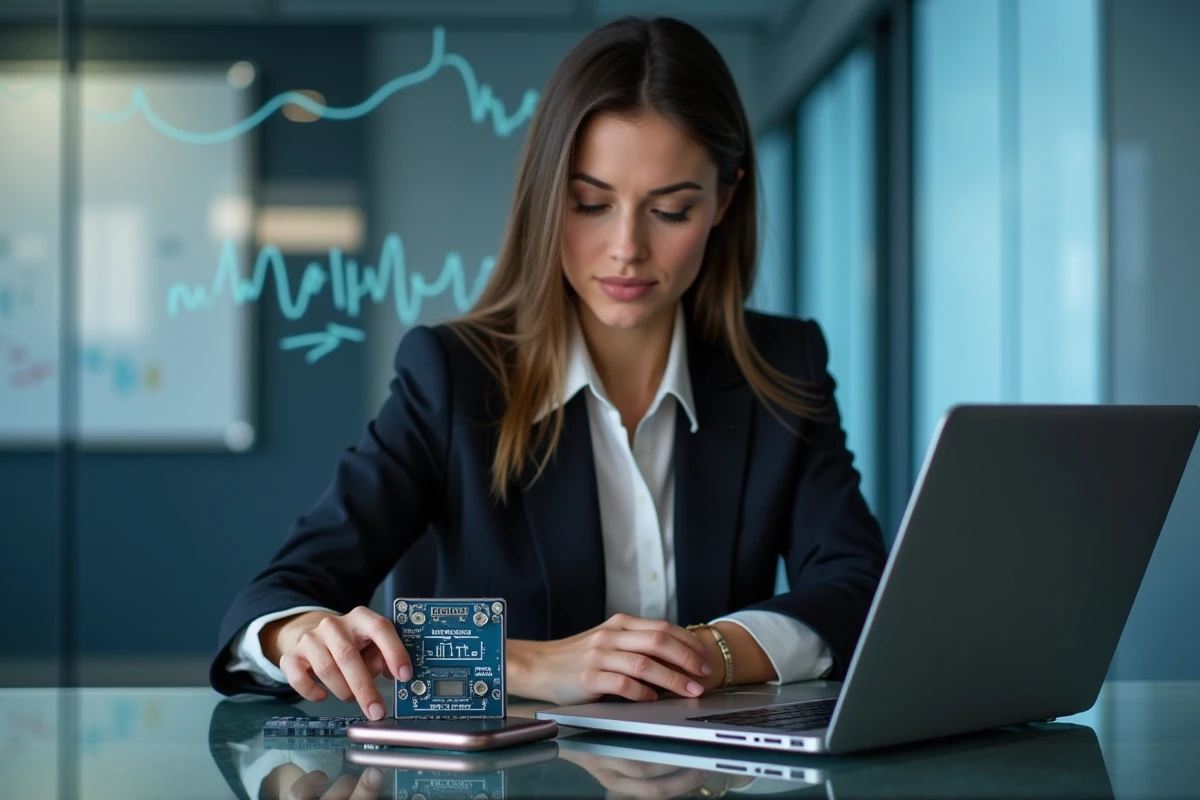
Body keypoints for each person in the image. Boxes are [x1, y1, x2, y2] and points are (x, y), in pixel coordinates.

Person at [209, 16, 887, 722]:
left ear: (725, 200)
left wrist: (707, 654)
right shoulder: (450, 375)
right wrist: (532, 662)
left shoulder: (782, 366)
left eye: (671, 210)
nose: (626, 247)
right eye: (589, 204)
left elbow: (860, 586)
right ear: (544, 196)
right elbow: (275, 600)